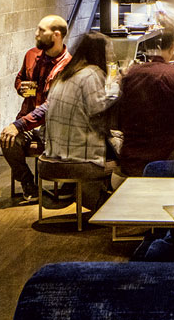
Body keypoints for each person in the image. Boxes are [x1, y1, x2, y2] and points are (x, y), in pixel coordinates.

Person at [39, 31, 120, 211]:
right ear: (99, 52)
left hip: (51, 157)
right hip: (78, 162)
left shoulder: (65, 74)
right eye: (109, 52)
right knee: (130, 160)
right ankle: (111, 209)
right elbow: (99, 112)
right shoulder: (91, 73)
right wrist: (120, 90)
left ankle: (85, 195)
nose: (112, 56)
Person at [112, 29, 174, 177]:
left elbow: (119, 117)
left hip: (130, 162)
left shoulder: (131, 74)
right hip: (164, 162)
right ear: (172, 48)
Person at [0, 15, 70, 203]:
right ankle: (27, 181)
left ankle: (68, 181)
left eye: (41, 30)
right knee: (7, 139)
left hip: (51, 125)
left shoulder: (68, 66)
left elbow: (51, 106)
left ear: (56, 35)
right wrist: (20, 87)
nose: (36, 33)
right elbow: (20, 77)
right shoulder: (31, 55)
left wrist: (19, 124)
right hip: (27, 118)